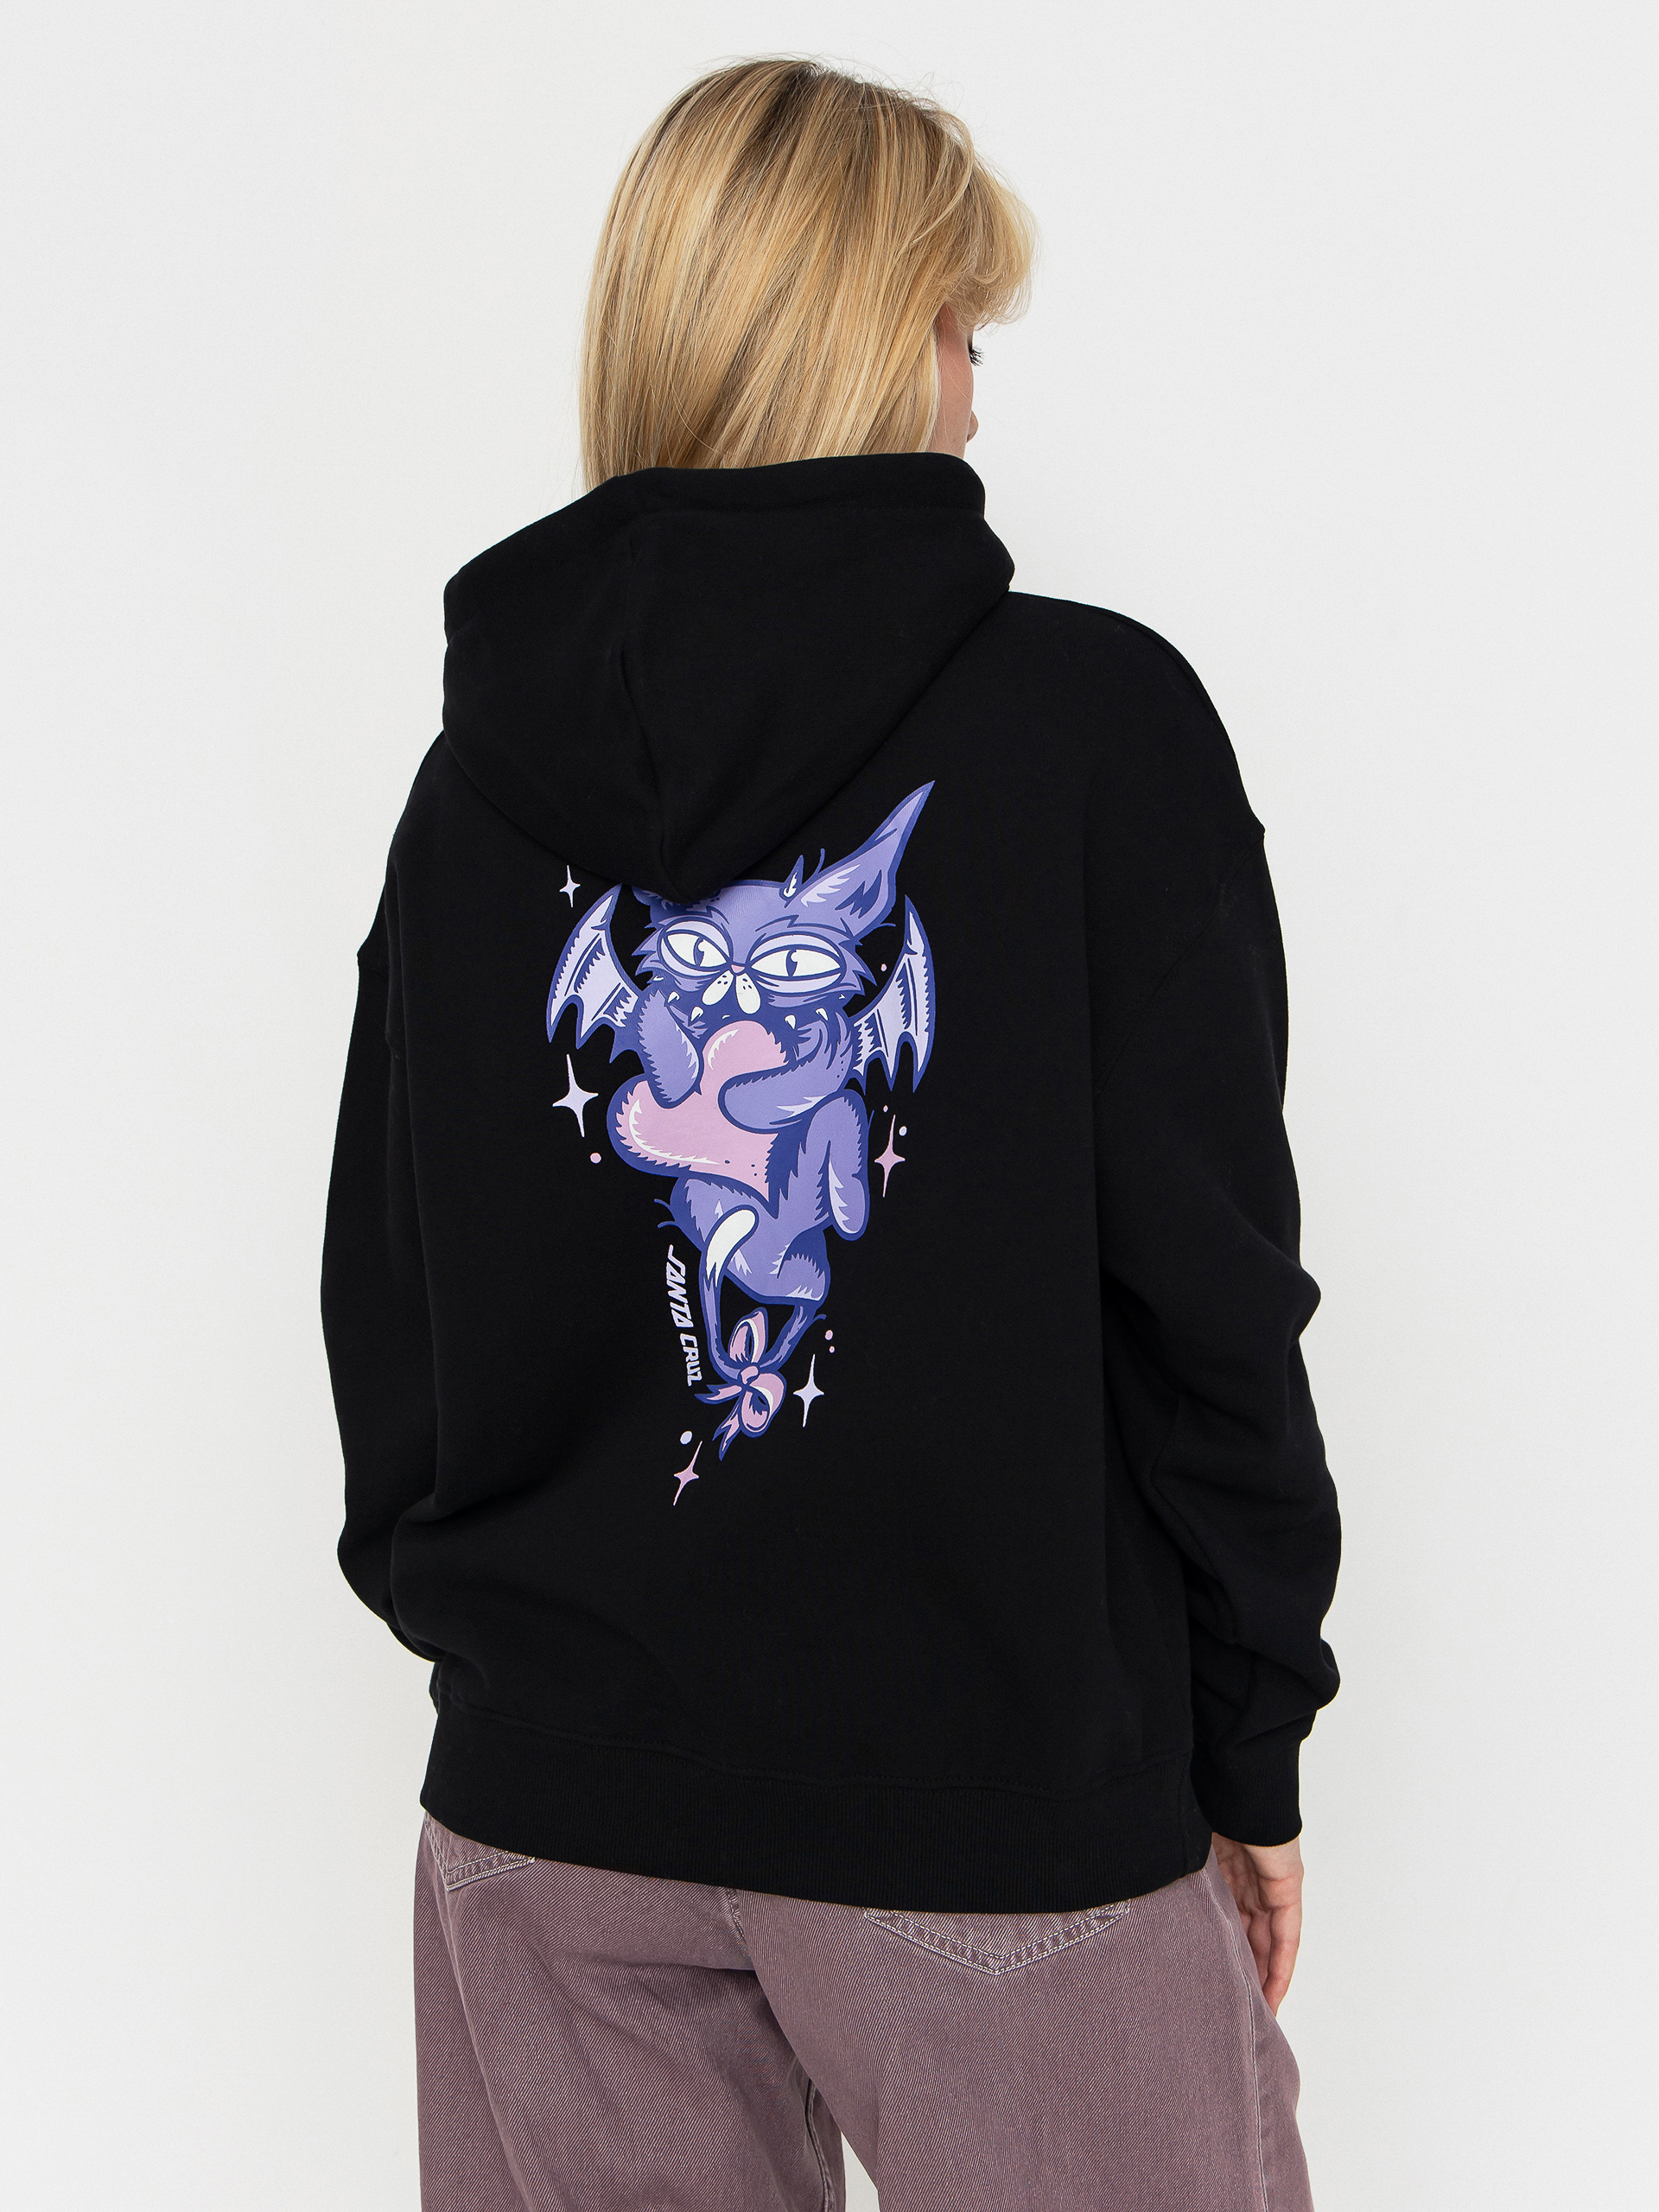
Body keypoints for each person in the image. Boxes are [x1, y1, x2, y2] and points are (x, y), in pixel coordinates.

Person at [322, 56, 1340, 2212]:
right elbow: (1210, 1303)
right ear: (868, 337)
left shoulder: (468, 789)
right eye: (958, 327)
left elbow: (386, 1304)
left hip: (553, 1832)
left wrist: (526, 1655)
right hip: (1002, 1815)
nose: (976, 392)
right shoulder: (1096, 728)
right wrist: (1248, 1733)